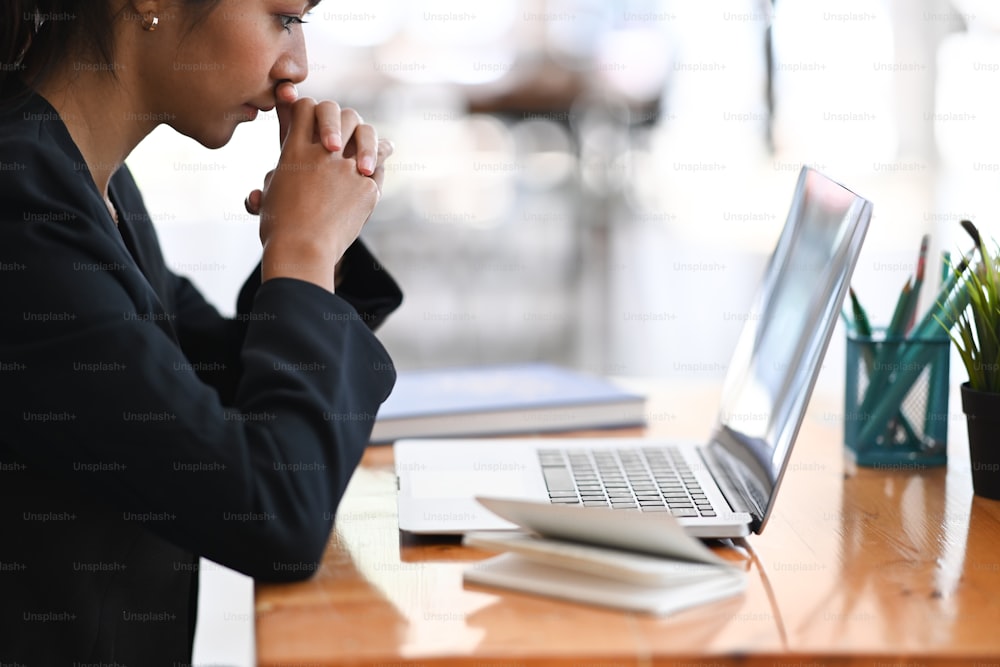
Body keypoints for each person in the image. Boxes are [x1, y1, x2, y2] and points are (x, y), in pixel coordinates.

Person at [0, 0, 402, 663]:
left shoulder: (91, 184)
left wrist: (311, 245)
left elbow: (218, 387)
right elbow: (275, 510)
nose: (296, 69)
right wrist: (301, 249)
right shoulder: (23, 211)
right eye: (284, 17)